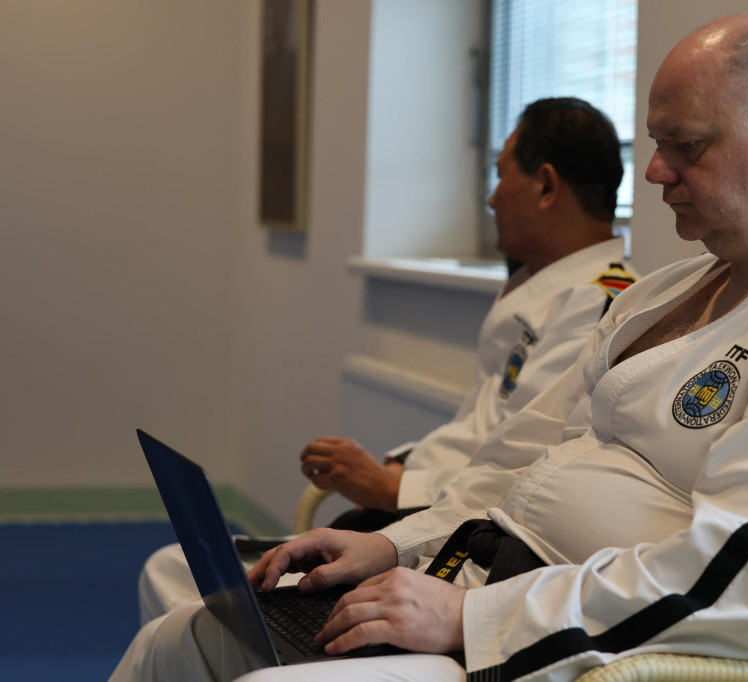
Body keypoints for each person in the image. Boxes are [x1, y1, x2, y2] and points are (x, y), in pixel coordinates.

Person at [113, 14, 748, 682]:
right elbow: (524, 458)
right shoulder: (663, 294)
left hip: (566, 649)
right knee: (183, 639)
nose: (654, 173)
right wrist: (399, 546)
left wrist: (474, 619)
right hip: (480, 579)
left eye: (684, 147)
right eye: (655, 145)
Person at [135, 97, 637, 623]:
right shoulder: (544, 291)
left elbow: (521, 472)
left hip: (455, 538)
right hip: (424, 510)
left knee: (191, 594)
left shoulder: (601, 308)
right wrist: (394, 470)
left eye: (500, 175)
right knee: (178, 573)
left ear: (546, 186)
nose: (491, 198)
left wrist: (389, 486)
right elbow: (482, 433)